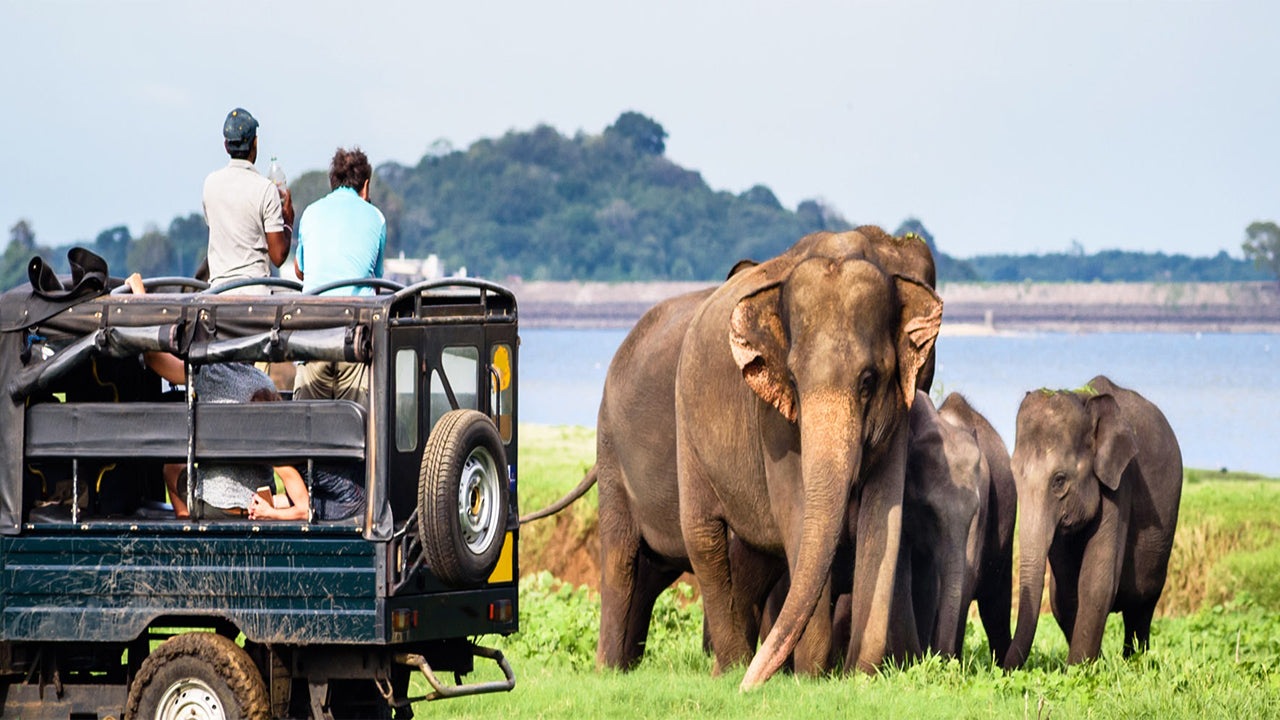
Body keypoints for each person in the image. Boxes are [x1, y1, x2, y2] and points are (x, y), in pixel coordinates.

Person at [126, 274, 309, 519]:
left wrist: (140, 293)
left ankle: (186, 523)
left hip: (212, 507)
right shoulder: (264, 382)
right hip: (257, 505)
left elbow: (153, 356)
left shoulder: (207, 373)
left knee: (171, 470)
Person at [292, 146, 386, 403]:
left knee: (307, 428)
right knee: (356, 427)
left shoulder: (311, 212)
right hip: (354, 338)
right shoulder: (376, 217)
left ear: (332, 183)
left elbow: (300, 270)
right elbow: (375, 281)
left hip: (312, 334)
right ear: (365, 186)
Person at [203, 107, 295, 294]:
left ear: (226, 146)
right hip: (255, 297)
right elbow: (278, 257)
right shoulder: (266, 189)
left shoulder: (210, 183)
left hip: (218, 294)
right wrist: (288, 223)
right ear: (255, 143)